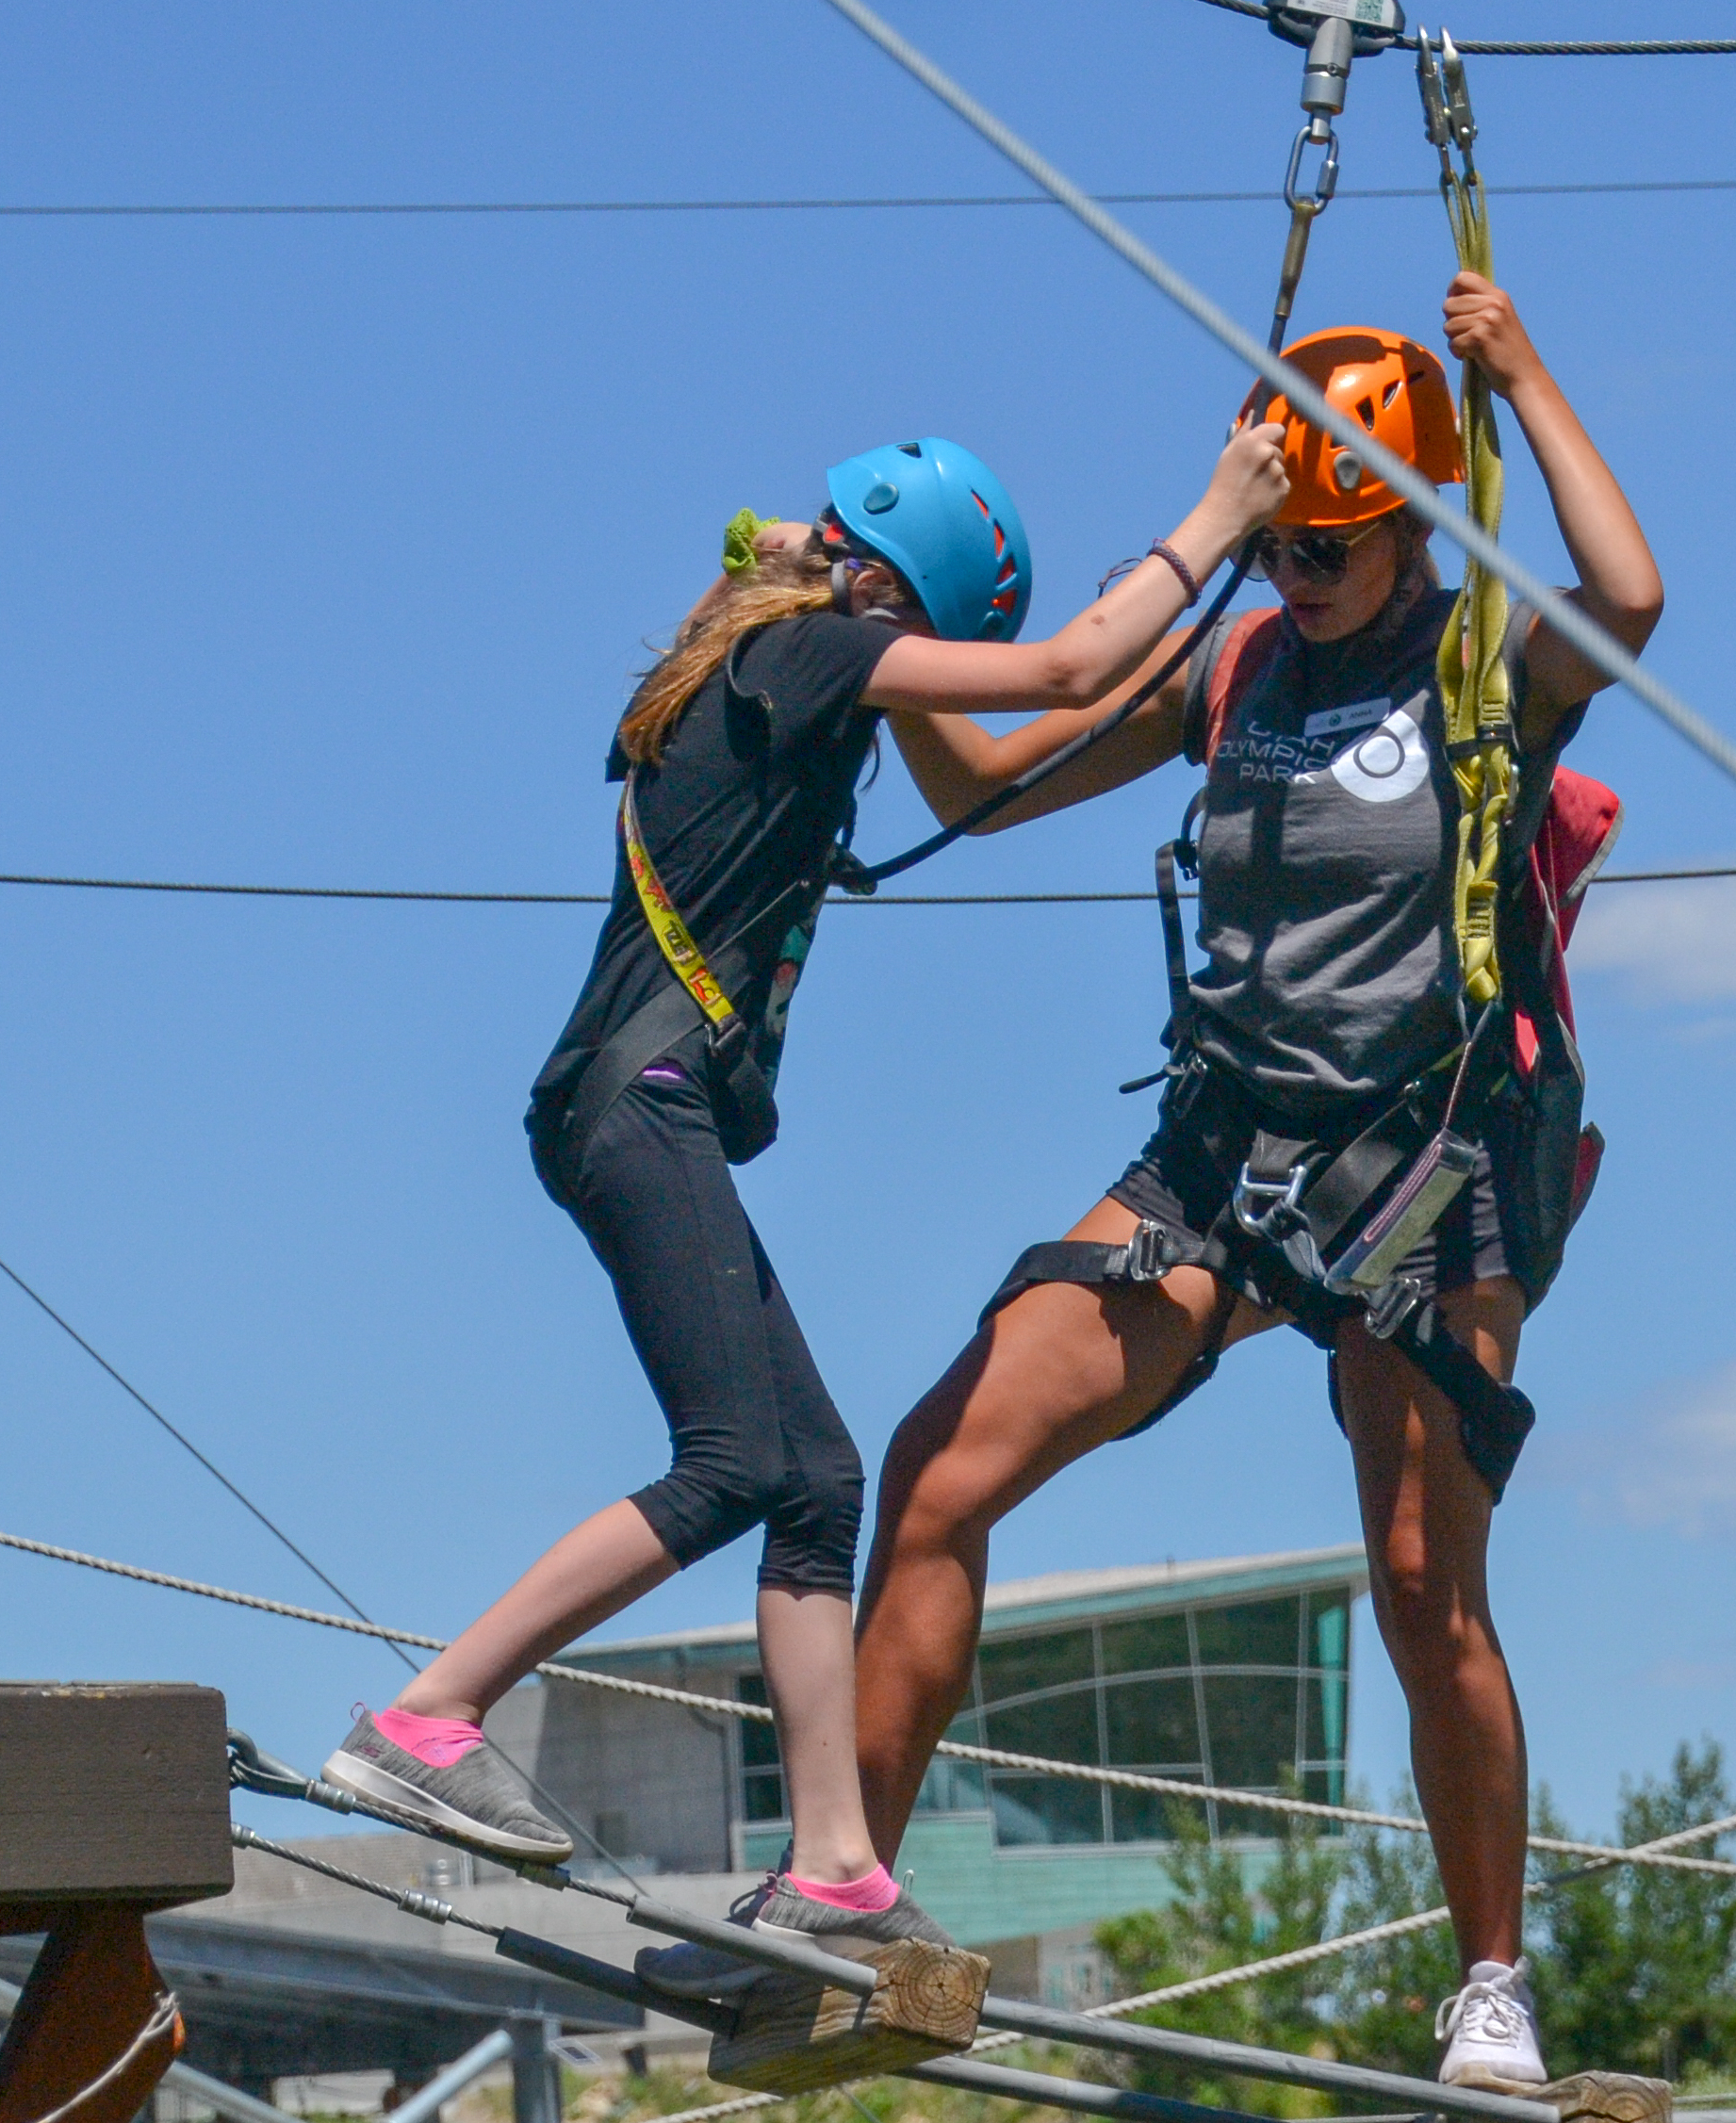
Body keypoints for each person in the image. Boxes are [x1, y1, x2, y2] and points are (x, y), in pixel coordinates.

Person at [319, 425, 1290, 1984]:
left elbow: (987, 767)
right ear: (910, 605)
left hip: (637, 1104)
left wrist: (1170, 677)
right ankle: (431, 1714)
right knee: (733, 1462)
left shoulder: (783, 647)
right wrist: (1223, 518)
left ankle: (833, 1865)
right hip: (640, 1102)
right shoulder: (821, 647)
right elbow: (1060, 676)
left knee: (820, 1478)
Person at [853, 273, 1661, 2089]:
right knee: (937, 1465)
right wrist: (883, 647)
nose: (1299, 575)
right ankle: (852, 1892)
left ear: (1410, 530)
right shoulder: (1228, 671)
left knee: (1417, 1571)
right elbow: (983, 784)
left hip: (1431, 1163)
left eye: (1334, 549)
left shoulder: (1480, 673)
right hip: (1221, 1158)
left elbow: (1626, 597)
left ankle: (1490, 1981)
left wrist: (1521, 373)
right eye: (1281, 542)